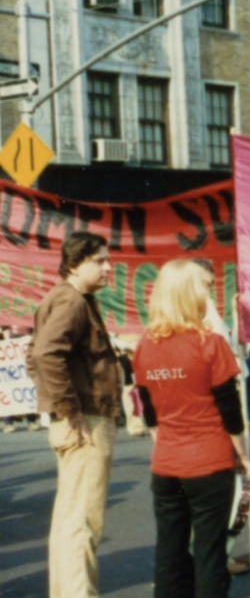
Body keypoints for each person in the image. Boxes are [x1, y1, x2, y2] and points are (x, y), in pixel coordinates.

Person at [132, 259, 250, 598]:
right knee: (210, 552)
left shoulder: (144, 345)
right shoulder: (210, 344)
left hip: (166, 463)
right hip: (209, 461)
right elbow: (230, 411)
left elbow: (150, 410)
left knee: (169, 550)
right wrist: (244, 457)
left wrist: (165, 442)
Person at [26, 232, 119, 598]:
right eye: (99, 261)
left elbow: (36, 355)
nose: (108, 267)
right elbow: (45, 354)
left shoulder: (66, 298)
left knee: (70, 521)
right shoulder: (72, 301)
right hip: (87, 422)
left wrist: (62, 407)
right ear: (75, 264)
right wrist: (70, 409)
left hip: (79, 419)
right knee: (83, 522)